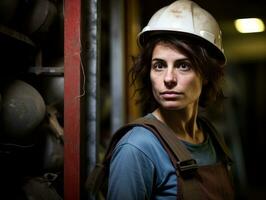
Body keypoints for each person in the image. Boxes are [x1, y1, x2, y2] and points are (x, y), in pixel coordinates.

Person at [107, 0, 234, 199]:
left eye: (183, 66)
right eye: (159, 65)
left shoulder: (212, 138)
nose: (168, 79)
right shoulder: (137, 148)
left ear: (206, 74)